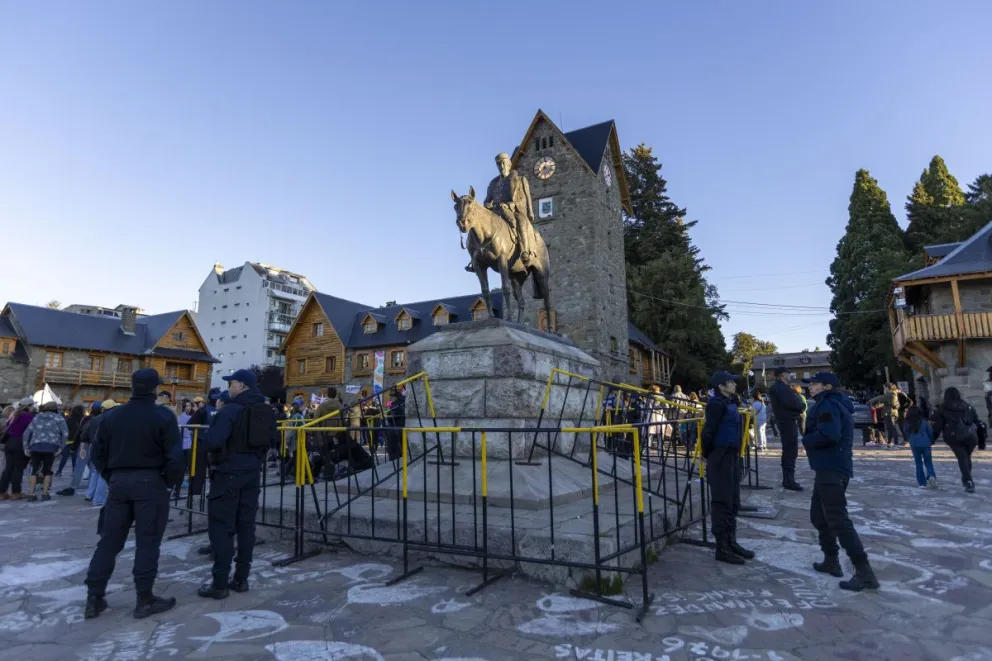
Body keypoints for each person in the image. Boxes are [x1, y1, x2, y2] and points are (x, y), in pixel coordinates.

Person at [84, 369, 184, 619]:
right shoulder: (163, 415)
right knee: (148, 540)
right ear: (154, 389)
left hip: (119, 481)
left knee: (109, 540)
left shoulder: (113, 416)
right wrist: (169, 483)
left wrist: (112, 476)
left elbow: (97, 453)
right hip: (151, 482)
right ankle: (144, 598)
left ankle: (94, 597)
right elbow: (175, 456)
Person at [198, 368, 276, 599]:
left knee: (222, 527)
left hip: (228, 472)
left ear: (241, 386)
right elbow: (273, 439)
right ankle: (241, 578)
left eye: (231, 383)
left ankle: (219, 583)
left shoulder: (230, 410)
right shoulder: (265, 410)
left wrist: (202, 437)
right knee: (246, 525)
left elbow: (214, 441)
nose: (228, 387)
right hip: (252, 472)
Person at [802, 372, 878, 592]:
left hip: (831, 467)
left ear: (826, 387)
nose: (810, 387)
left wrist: (806, 439)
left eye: (814, 384)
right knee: (819, 515)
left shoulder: (828, 405)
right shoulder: (832, 403)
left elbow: (829, 435)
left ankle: (864, 572)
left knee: (838, 519)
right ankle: (831, 560)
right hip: (828, 467)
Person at [701, 371, 754, 565]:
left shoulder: (730, 402)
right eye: (730, 382)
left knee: (733, 500)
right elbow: (709, 431)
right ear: (721, 386)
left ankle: (732, 541)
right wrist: (708, 454)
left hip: (731, 454)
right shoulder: (716, 404)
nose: (734, 384)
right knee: (722, 500)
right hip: (720, 454)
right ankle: (722, 546)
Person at [932, 386, 981, 493]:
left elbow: (937, 425)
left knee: (962, 458)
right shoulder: (968, 406)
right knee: (966, 457)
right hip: (970, 436)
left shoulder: (942, 408)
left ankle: (968, 481)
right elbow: (976, 421)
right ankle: (966, 479)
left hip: (953, 437)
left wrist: (932, 438)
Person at [768, 368, 806, 491]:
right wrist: (802, 406)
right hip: (787, 421)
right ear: (783, 375)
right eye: (789, 373)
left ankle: (788, 479)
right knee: (790, 451)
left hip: (786, 420)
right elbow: (792, 403)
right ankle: (789, 480)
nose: (790, 375)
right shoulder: (780, 387)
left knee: (789, 450)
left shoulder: (780, 387)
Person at [23, 401, 69, 501]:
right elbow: (65, 434)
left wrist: (26, 447)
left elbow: (26, 433)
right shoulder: (59, 418)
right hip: (50, 447)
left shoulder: (37, 417)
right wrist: (61, 448)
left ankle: (31, 494)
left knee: (34, 470)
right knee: (47, 470)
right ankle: (45, 493)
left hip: (35, 446)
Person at [0, 397, 36, 500]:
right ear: (28, 406)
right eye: (32, 405)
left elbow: (8, 426)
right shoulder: (29, 416)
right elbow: (31, 431)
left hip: (9, 443)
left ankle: (2, 491)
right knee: (18, 469)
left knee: (8, 468)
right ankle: (16, 492)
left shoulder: (14, 415)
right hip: (20, 443)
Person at [904, 405, 937, 489]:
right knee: (928, 462)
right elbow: (930, 432)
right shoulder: (924, 421)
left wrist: (910, 439)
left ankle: (922, 483)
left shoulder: (907, 422)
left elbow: (906, 432)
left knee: (918, 464)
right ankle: (931, 475)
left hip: (914, 444)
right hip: (926, 444)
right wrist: (931, 441)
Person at [56, 405, 85, 477]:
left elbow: (64, 430)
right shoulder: (82, 420)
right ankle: (74, 471)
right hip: (76, 441)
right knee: (74, 457)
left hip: (68, 440)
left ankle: (59, 471)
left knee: (64, 457)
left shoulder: (69, 419)